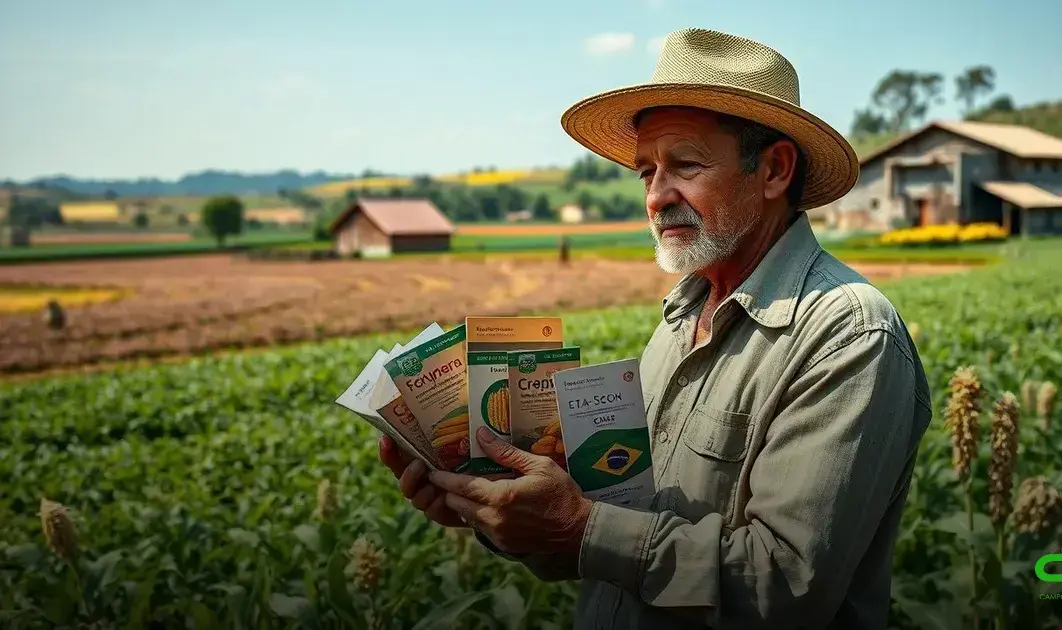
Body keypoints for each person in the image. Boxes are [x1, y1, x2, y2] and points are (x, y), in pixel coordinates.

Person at [378, 27, 932, 629]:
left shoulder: (848, 337)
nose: (656, 198)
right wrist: (493, 508)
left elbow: (785, 589)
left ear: (774, 170)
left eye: (685, 165)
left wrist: (580, 526)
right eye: (646, 172)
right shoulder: (678, 319)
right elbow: (612, 534)